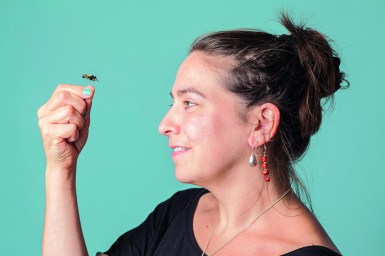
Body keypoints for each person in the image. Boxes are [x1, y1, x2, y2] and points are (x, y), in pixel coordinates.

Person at [38, 14, 346, 256]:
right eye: (173, 101)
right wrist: (61, 170)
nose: (164, 124)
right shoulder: (180, 212)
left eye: (190, 103)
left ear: (262, 124)